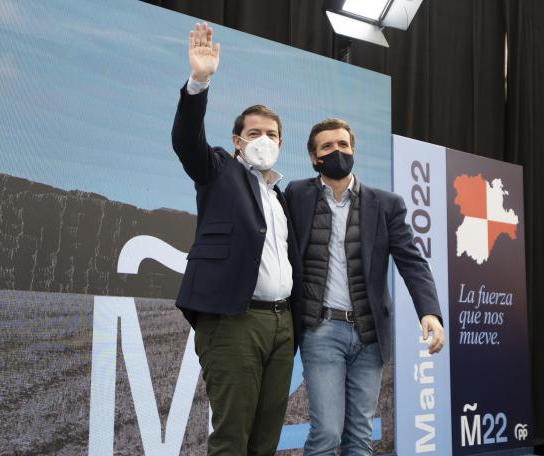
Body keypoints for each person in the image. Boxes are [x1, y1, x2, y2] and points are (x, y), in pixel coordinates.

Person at [172, 22, 302, 456]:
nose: (263, 140)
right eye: (254, 133)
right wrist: (199, 80)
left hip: (282, 327)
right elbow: (187, 142)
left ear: (281, 143)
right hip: (234, 323)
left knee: (265, 440)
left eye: (271, 134)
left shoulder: (280, 197)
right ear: (237, 141)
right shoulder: (219, 172)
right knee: (232, 439)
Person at [284, 118, 445, 456]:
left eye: (343, 145)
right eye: (327, 147)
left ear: (353, 150)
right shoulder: (297, 194)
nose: (337, 151)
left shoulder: (386, 204)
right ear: (314, 158)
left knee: (358, 435)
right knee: (327, 431)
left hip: (369, 335)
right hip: (321, 330)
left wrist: (429, 311)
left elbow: (411, 261)